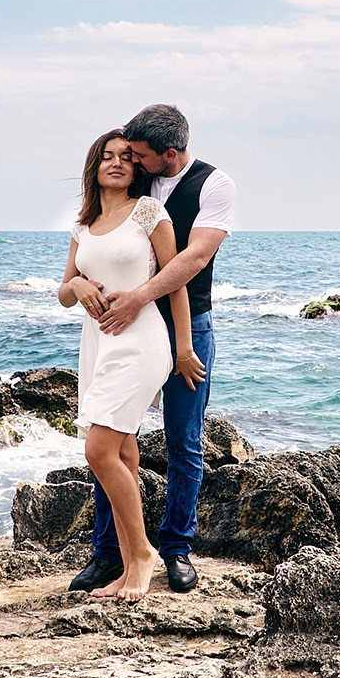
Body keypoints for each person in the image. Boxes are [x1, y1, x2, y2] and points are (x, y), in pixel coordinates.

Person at [71, 103, 233, 597]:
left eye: (137, 155)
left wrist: (181, 342)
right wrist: (79, 285)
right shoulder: (121, 198)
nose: (129, 162)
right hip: (115, 332)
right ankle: (110, 554)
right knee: (117, 443)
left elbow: (194, 258)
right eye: (118, 156)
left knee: (184, 441)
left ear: (168, 154)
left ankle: (176, 550)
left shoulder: (212, 185)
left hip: (181, 326)